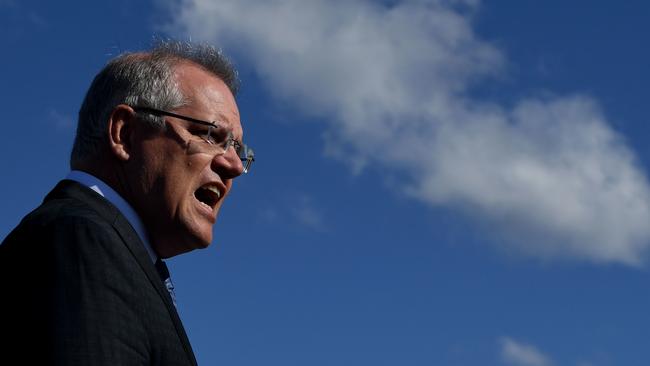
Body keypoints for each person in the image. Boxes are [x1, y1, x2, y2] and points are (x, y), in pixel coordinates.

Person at [0, 40, 254, 365]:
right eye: (210, 135)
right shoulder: (82, 238)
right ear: (124, 133)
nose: (233, 165)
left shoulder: (111, 250)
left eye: (238, 149)